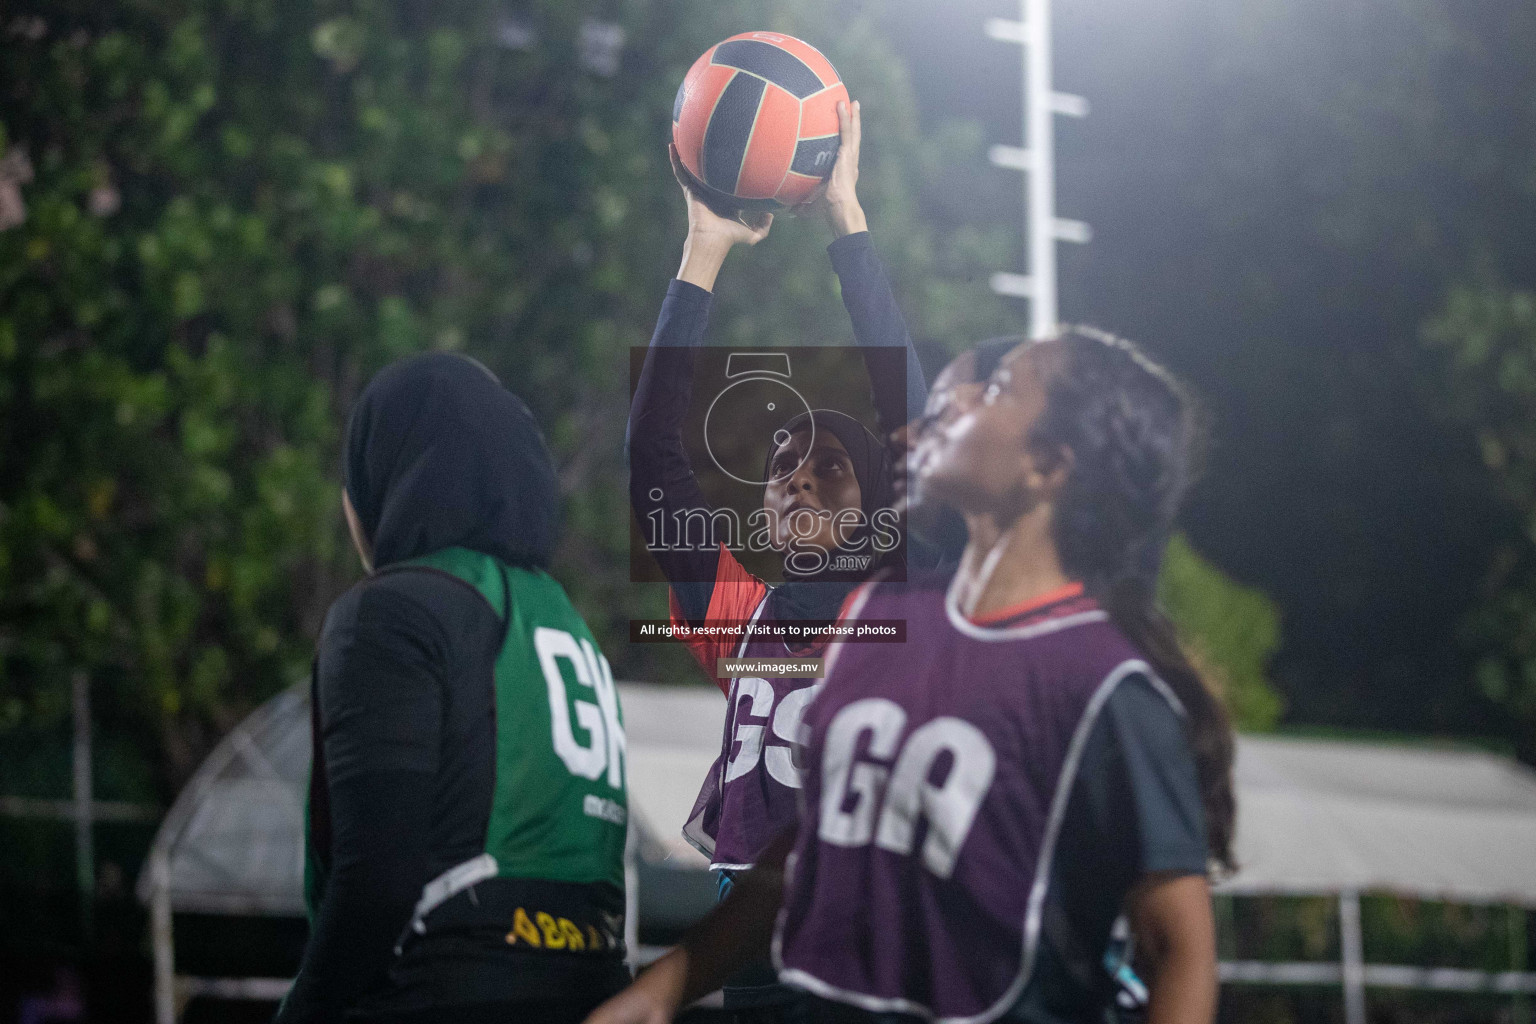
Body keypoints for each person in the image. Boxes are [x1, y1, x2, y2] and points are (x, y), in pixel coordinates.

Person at [589, 327, 1234, 1024]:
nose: (952, 398)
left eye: (992, 389)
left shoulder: (1102, 681)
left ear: (1045, 466)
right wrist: (665, 985)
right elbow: (800, 855)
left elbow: (1180, 950)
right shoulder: (887, 627)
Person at [627, 100, 926, 1019]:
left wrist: (847, 222)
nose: (796, 480)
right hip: (750, 961)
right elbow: (653, 462)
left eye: (829, 466)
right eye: (781, 467)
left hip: (873, 957)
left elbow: (917, 426)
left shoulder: (909, 600)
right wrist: (703, 249)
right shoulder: (741, 611)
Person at [276, 353, 630, 1024]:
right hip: (593, 988)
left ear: (387, 473)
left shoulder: (394, 610)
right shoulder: (561, 618)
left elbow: (376, 883)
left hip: (442, 988)